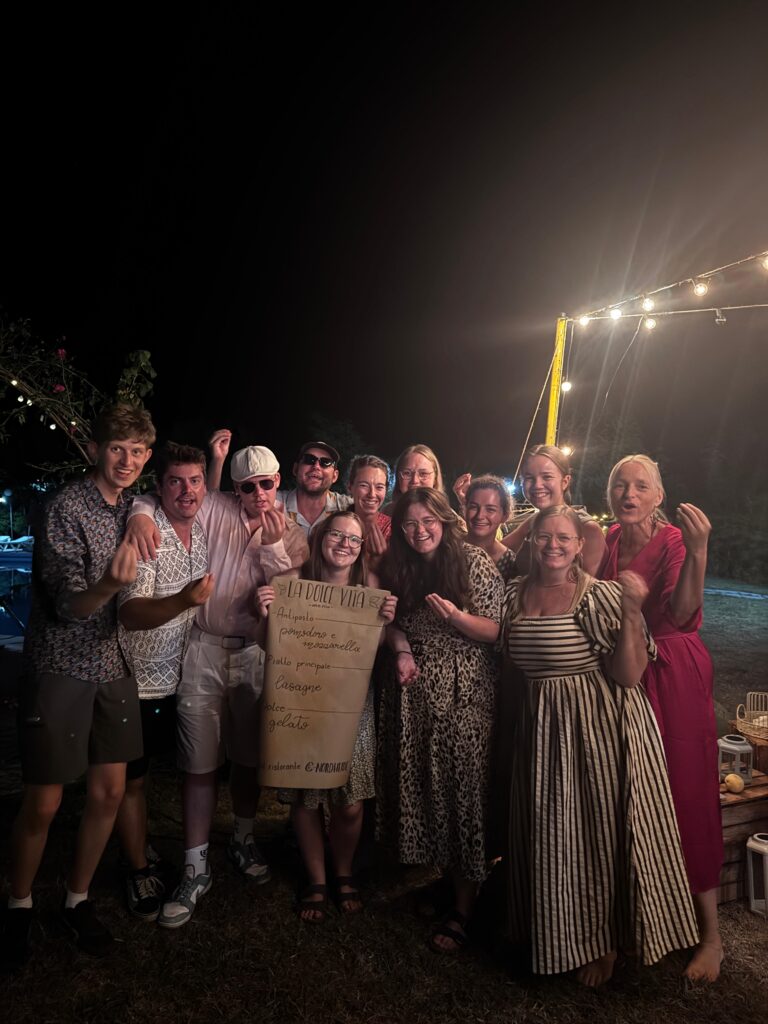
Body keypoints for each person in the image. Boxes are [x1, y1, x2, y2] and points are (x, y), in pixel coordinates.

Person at [501, 504, 699, 986]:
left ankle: (605, 942)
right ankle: (556, 929)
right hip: (542, 727)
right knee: (553, 831)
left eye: (563, 538)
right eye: (543, 536)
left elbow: (629, 675)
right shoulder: (514, 593)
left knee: (595, 835)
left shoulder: (598, 596)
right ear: (532, 541)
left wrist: (631, 612)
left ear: (579, 546)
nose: (552, 545)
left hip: (595, 728)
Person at [126, 438, 308, 928]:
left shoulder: (292, 532)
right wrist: (139, 513)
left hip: (254, 653)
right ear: (235, 488)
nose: (258, 494)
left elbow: (287, 595)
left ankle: (243, 838)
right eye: (247, 487)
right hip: (203, 645)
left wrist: (273, 546)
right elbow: (163, 499)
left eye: (266, 484)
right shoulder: (216, 506)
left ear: (278, 482)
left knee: (248, 758)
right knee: (198, 759)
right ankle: (195, 862)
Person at [2, 403, 154, 965]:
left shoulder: (133, 504)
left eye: (137, 452)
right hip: (61, 663)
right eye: (117, 449)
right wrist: (108, 585)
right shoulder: (65, 506)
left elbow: (163, 501)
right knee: (44, 800)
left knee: (109, 792)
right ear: (95, 449)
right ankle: (18, 904)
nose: (126, 461)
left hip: (114, 665)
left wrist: (142, 512)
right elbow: (67, 604)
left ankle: (77, 898)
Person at [599, 454, 723, 982]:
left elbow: (683, 612)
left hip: (672, 672)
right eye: (620, 485)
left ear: (658, 495)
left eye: (640, 486)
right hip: (624, 670)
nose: (628, 494)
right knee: (628, 790)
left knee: (685, 790)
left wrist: (699, 551)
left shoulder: (673, 540)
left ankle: (711, 936)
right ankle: (640, 916)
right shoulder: (607, 539)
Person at [377, 487, 503, 953]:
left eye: (428, 521)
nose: (419, 531)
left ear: (445, 521)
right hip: (413, 693)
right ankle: (443, 884)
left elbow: (496, 629)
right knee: (425, 788)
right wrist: (402, 649)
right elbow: (391, 623)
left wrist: (456, 618)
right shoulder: (399, 565)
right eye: (410, 524)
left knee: (463, 793)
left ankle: (466, 906)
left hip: (463, 695)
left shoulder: (473, 561)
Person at [256, 512, 397, 922]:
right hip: (300, 697)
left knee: (350, 801)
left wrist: (385, 622)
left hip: (350, 702)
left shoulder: (369, 585)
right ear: (320, 538)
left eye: (353, 540)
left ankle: (343, 870)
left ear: (361, 548)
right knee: (306, 796)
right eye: (337, 535)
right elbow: (268, 645)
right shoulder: (291, 581)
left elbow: (376, 647)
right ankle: (317, 879)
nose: (344, 545)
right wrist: (264, 614)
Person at [116, 442, 212, 922]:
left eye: (195, 480)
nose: (186, 490)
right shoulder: (148, 531)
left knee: (167, 771)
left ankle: (149, 848)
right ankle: (137, 869)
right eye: (175, 481)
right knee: (131, 779)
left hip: (183, 675)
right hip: (136, 680)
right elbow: (130, 613)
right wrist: (182, 601)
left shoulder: (205, 527)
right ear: (160, 486)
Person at [457, 445, 606, 574]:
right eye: (529, 478)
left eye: (547, 477)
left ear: (565, 481)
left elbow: (589, 591)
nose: (537, 485)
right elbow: (490, 554)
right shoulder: (533, 522)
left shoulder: (586, 528)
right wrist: (472, 504)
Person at [463, 475, 517, 581]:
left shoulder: (509, 562)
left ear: (505, 516)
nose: (479, 516)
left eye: (490, 509)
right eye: (473, 507)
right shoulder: (449, 547)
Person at [346, 454, 392, 575]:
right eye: (364, 485)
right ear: (350, 487)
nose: (372, 494)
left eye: (379, 487)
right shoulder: (334, 525)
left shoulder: (393, 530)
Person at [382, 444, 448, 515]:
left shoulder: (447, 515)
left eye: (423, 473)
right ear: (398, 477)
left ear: (435, 478)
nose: (414, 481)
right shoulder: (387, 513)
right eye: (407, 473)